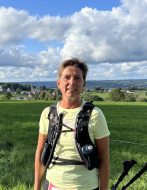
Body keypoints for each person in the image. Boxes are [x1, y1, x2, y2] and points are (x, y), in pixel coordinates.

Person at [34, 57, 110, 190]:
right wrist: (37, 187)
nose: (72, 82)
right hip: (52, 185)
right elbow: (40, 151)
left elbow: (104, 158)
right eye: (67, 77)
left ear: (84, 84)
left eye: (77, 78)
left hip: (86, 186)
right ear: (58, 84)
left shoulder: (95, 115)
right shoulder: (48, 113)